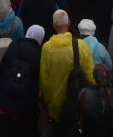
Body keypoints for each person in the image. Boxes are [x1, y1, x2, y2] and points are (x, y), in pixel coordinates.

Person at [40, 9, 97, 137]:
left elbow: (44, 80)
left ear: (54, 26)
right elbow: (90, 74)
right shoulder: (82, 46)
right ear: (69, 23)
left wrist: (49, 103)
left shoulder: (47, 48)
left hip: (56, 108)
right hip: (78, 104)